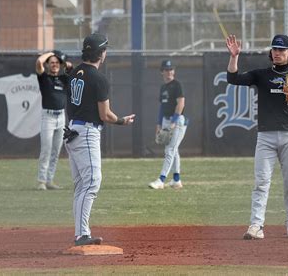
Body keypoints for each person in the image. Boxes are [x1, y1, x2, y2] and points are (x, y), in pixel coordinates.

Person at [225, 34, 288, 239]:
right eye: (274, 49)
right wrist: (234, 57)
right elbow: (233, 78)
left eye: (281, 50)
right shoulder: (261, 75)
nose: (277, 53)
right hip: (265, 136)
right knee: (261, 182)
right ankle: (256, 226)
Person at [64, 33, 135, 246]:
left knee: (81, 186)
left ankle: (80, 233)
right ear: (100, 54)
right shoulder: (99, 78)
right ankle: (82, 234)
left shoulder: (75, 72)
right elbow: (105, 115)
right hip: (86, 132)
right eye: (105, 50)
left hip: (73, 129)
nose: (106, 53)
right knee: (92, 182)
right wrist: (122, 121)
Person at [35, 50, 72, 191]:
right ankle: (41, 181)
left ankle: (49, 180)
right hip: (48, 117)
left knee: (56, 151)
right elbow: (39, 62)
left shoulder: (63, 79)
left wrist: (64, 62)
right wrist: (50, 53)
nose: (55, 65)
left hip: (61, 117)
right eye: (52, 63)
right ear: (48, 65)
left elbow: (70, 68)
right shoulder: (44, 78)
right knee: (46, 150)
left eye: (57, 63)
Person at [149, 59, 187, 190]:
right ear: (162, 72)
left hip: (177, 120)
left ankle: (161, 180)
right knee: (173, 149)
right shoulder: (163, 87)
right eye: (166, 69)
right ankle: (176, 180)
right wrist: (158, 124)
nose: (169, 72)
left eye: (171, 69)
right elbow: (162, 107)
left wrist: (174, 121)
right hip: (166, 120)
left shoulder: (177, 85)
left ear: (174, 71)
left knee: (169, 150)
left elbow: (181, 103)